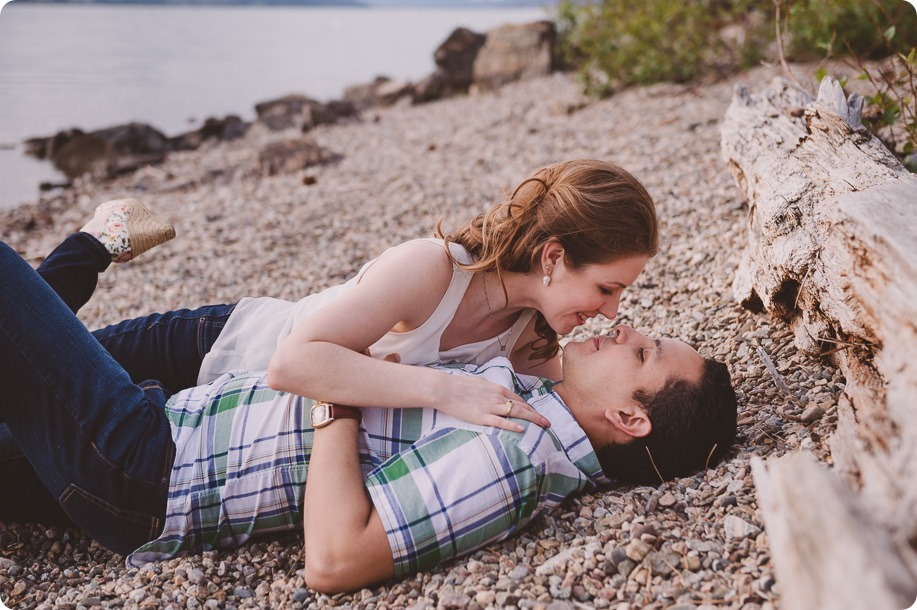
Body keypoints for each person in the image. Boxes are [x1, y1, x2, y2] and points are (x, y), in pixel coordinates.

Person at [0, 239, 737, 594]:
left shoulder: (513, 456)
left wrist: (342, 395)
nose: (620, 330)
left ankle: (86, 245)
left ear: (627, 419)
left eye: (642, 353)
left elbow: (336, 558)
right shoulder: (535, 407)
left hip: (148, 466)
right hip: (169, 429)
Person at [37, 158, 660, 433]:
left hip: (218, 419)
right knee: (32, 351)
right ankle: (97, 241)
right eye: (606, 288)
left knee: (32, 398)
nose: (610, 310)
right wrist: (445, 388)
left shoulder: (530, 337)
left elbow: (580, 408)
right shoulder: (433, 270)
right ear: (553, 256)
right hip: (211, 348)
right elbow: (294, 364)